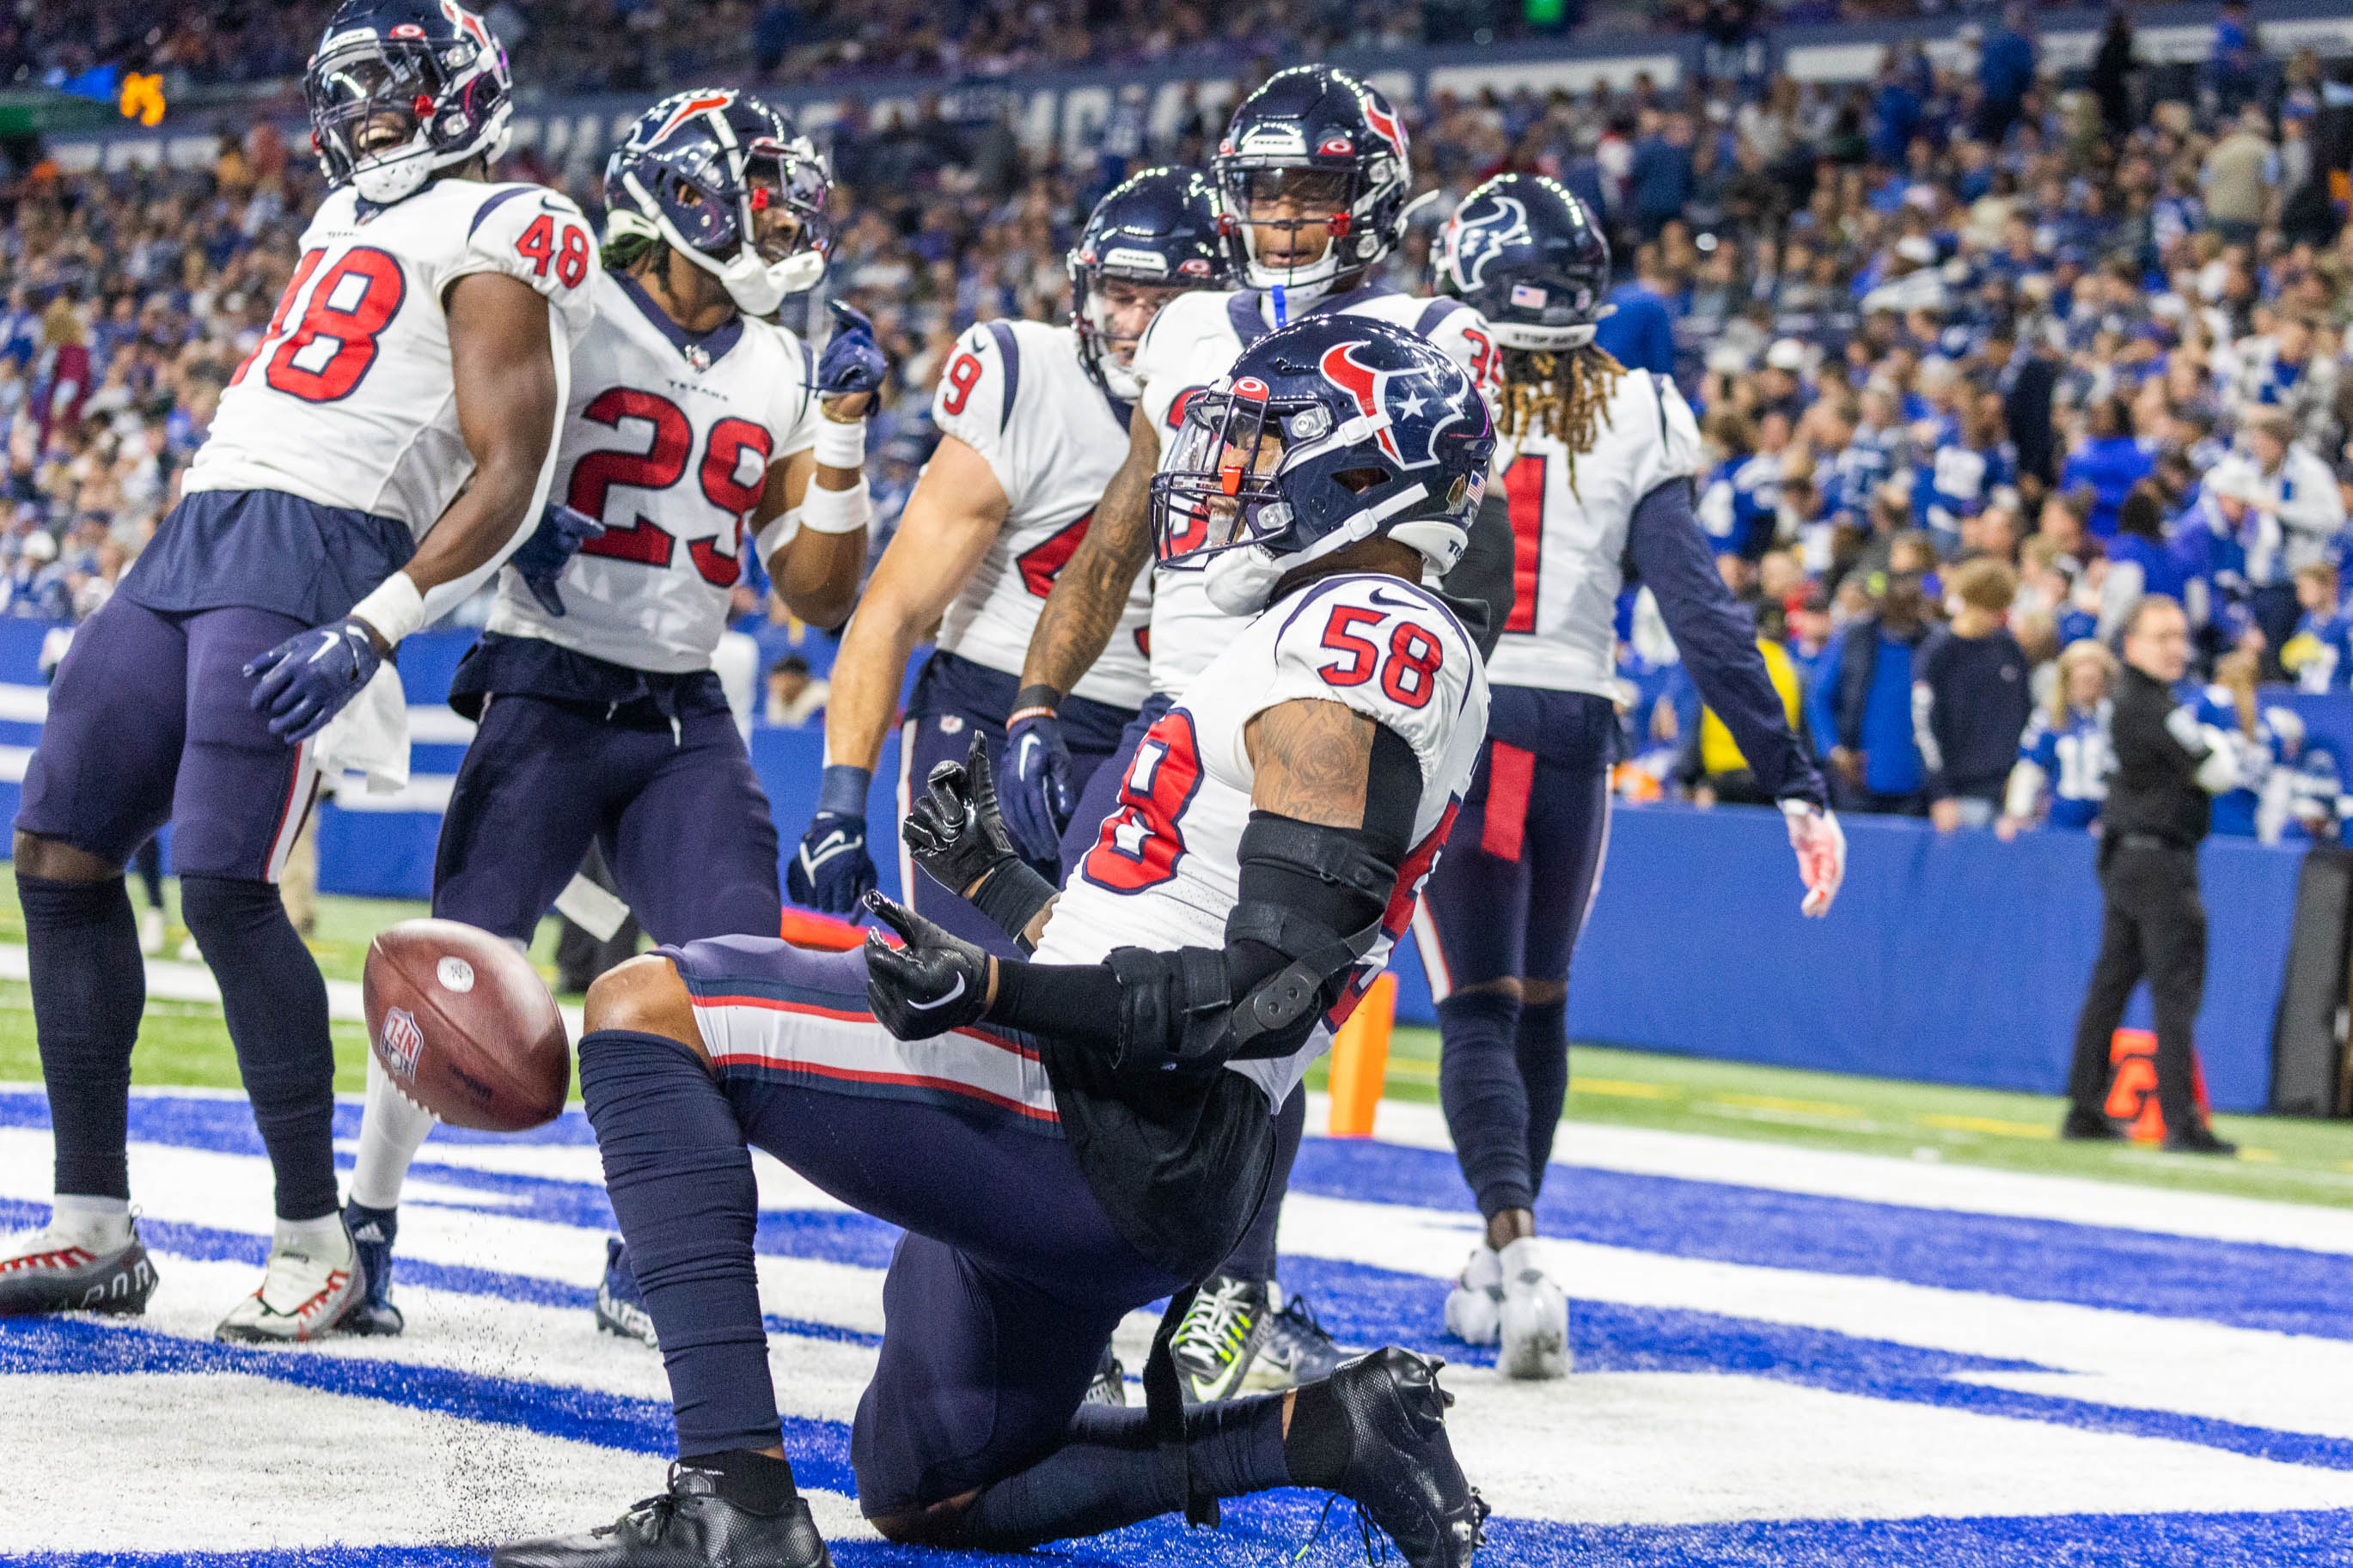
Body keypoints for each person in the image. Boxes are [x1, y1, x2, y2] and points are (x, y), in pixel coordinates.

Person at [492, 317, 1495, 1568]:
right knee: (933, 1489)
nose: (1226, 470)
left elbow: (1266, 991)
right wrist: (1004, 887)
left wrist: (993, 985)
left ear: (1363, 475)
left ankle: (730, 1503)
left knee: (651, 1006)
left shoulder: (1362, 634)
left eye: (1266, 442)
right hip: (1139, 1123)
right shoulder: (1319, 627)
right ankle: (1315, 1432)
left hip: (1113, 1115)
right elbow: (1193, 926)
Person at [0, 0, 593, 1341]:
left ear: (458, 93)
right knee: (59, 855)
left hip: (321, 547)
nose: (367, 121)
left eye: (393, 94)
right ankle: (91, 1223)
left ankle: (319, 1240)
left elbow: (510, 463)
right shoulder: (337, 220)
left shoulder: (512, 221)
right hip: (198, 525)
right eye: (353, 98)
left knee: (223, 882)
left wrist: (376, 620)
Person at [1000, 64, 1513, 1405]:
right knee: (1105, 969)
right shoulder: (1181, 333)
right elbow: (1121, 527)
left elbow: (1473, 544)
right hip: (1187, 700)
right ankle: (1102, 1284)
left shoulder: (1430, 328)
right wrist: (1041, 697)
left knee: (1267, 1004)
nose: (1287, 217)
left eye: (1315, 189)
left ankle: (1229, 1288)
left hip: (1326, 700)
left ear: (1374, 197)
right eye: (1268, 190)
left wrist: (1427, 722)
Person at [336, 87, 882, 1341]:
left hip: (681, 711)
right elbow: (461, 444)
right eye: (760, 185)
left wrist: (845, 439)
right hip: (546, 680)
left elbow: (817, 592)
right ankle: (365, 1221)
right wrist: (510, 526)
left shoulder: (786, 363)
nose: (787, 213)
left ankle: (652, 1243)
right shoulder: (569, 307)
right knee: (454, 966)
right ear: (684, 195)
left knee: (734, 982)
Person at [1416, 176, 1841, 1380]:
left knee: (1475, 1007)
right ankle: (1506, 1262)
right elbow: (1703, 616)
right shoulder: (1643, 406)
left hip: (1460, 705)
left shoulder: (1429, 376)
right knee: (1539, 1002)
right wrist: (1791, 779)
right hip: (1577, 730)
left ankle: (1515, 1246)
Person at [785, 168, 1226, 953]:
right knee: (970, 1010)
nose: (1134, 323)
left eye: (1163, 304)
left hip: (1158, 730)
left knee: (1134, 1020)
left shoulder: (1251, 401)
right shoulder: (1023, 374)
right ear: (1084, 292)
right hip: (987, 715)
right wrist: (838, 802)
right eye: (1120, 295)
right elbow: (896, 607)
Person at [2061, 595, 2239, 1155]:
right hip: (2159, 860)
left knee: (2111, 983)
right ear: (2132, 643)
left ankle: (2085, 1108)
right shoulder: (2152, 706)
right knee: (2174, 990)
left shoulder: (2139, 702)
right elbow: (2217, 769)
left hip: (2127, 856)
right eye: (2162, 637)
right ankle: (2181, 1122)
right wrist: (2217, 746)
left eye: (2180, 636)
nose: (2176, 648)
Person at [1913, 558, 2032, 832]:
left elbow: (2024, 715)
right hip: (1959, 794)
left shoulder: (2008, 649)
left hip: (2006, 794)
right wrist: (1941, 793)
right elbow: (1925, 727)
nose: (1998, 617)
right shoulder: (1938, 653)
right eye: (1992, 609)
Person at [1824, 572, 1933, 814]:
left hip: (1917, 780)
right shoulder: (1853, 638)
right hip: (1857, 776)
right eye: (1899, 602)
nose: (1906, 610)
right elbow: (1819, 697)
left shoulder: (1932, 645)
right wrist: (1833, 749)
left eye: (1913, 602)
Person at [1998, 638, 2115, 838]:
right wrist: (2017, 812)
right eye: (2081, 675)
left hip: (2106, 827)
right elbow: (2029, 767)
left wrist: (2115, 820)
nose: (2088, 679)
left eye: (2095, 675)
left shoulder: (2115, 717)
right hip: (2060, 825)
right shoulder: (2048, 719)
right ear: (2067, 678)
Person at [2281, 561, 2353, 693]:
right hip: (2308, 697)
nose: (2300, 594)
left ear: (2327, 588)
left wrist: (2322, 654)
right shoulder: (2305, 622)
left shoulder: (2345, 624)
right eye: (2298, 588)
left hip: (2338, 699)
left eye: (2305, 588)